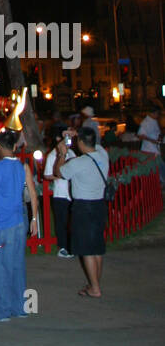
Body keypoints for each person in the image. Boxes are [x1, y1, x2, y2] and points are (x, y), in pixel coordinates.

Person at [0, 130, 39, 322]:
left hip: (0, 222)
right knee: (16, 264)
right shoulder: (23, 167)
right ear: (14, 147)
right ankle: (19, 306)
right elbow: (33, 194)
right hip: (18, 222)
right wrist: (34, 219)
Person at [55, 125, 109, 298]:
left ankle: (95, 288)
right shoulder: (102, 155)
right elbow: (95, 143)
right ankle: (95, 283)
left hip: (83, 207)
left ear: (79, 143)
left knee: (86, 249)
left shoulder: (78, 163)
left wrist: (62, 153)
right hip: (99, 205)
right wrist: (77, 134)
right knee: (97, 247)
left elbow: (59, 172)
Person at [44, 125, 73, 257]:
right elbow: (47, 175)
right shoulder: (52, 155)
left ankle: (71, 245)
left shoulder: (71, 153)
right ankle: (62, 247)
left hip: (72, 193)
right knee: (61, 222)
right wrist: (61, 176)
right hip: (60, 193)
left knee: (71, 221)